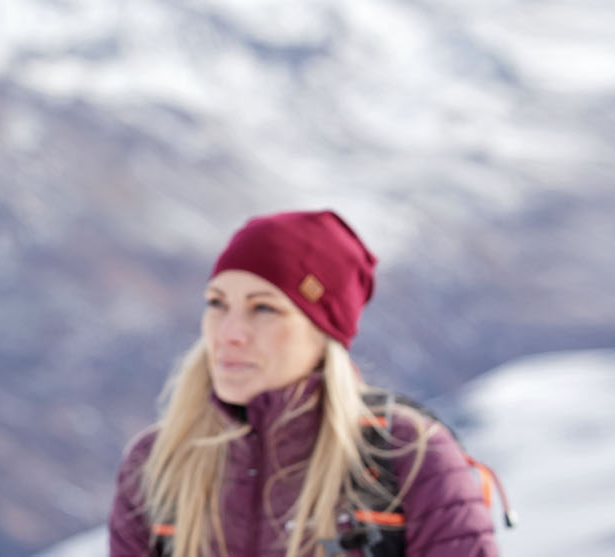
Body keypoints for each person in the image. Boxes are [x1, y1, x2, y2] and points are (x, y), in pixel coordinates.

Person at [108, 210, 499, 556]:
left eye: (264, 308)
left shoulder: (406, 455)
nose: (228, 333)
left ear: (323, 332)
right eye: (217, 303)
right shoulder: (157, 463)